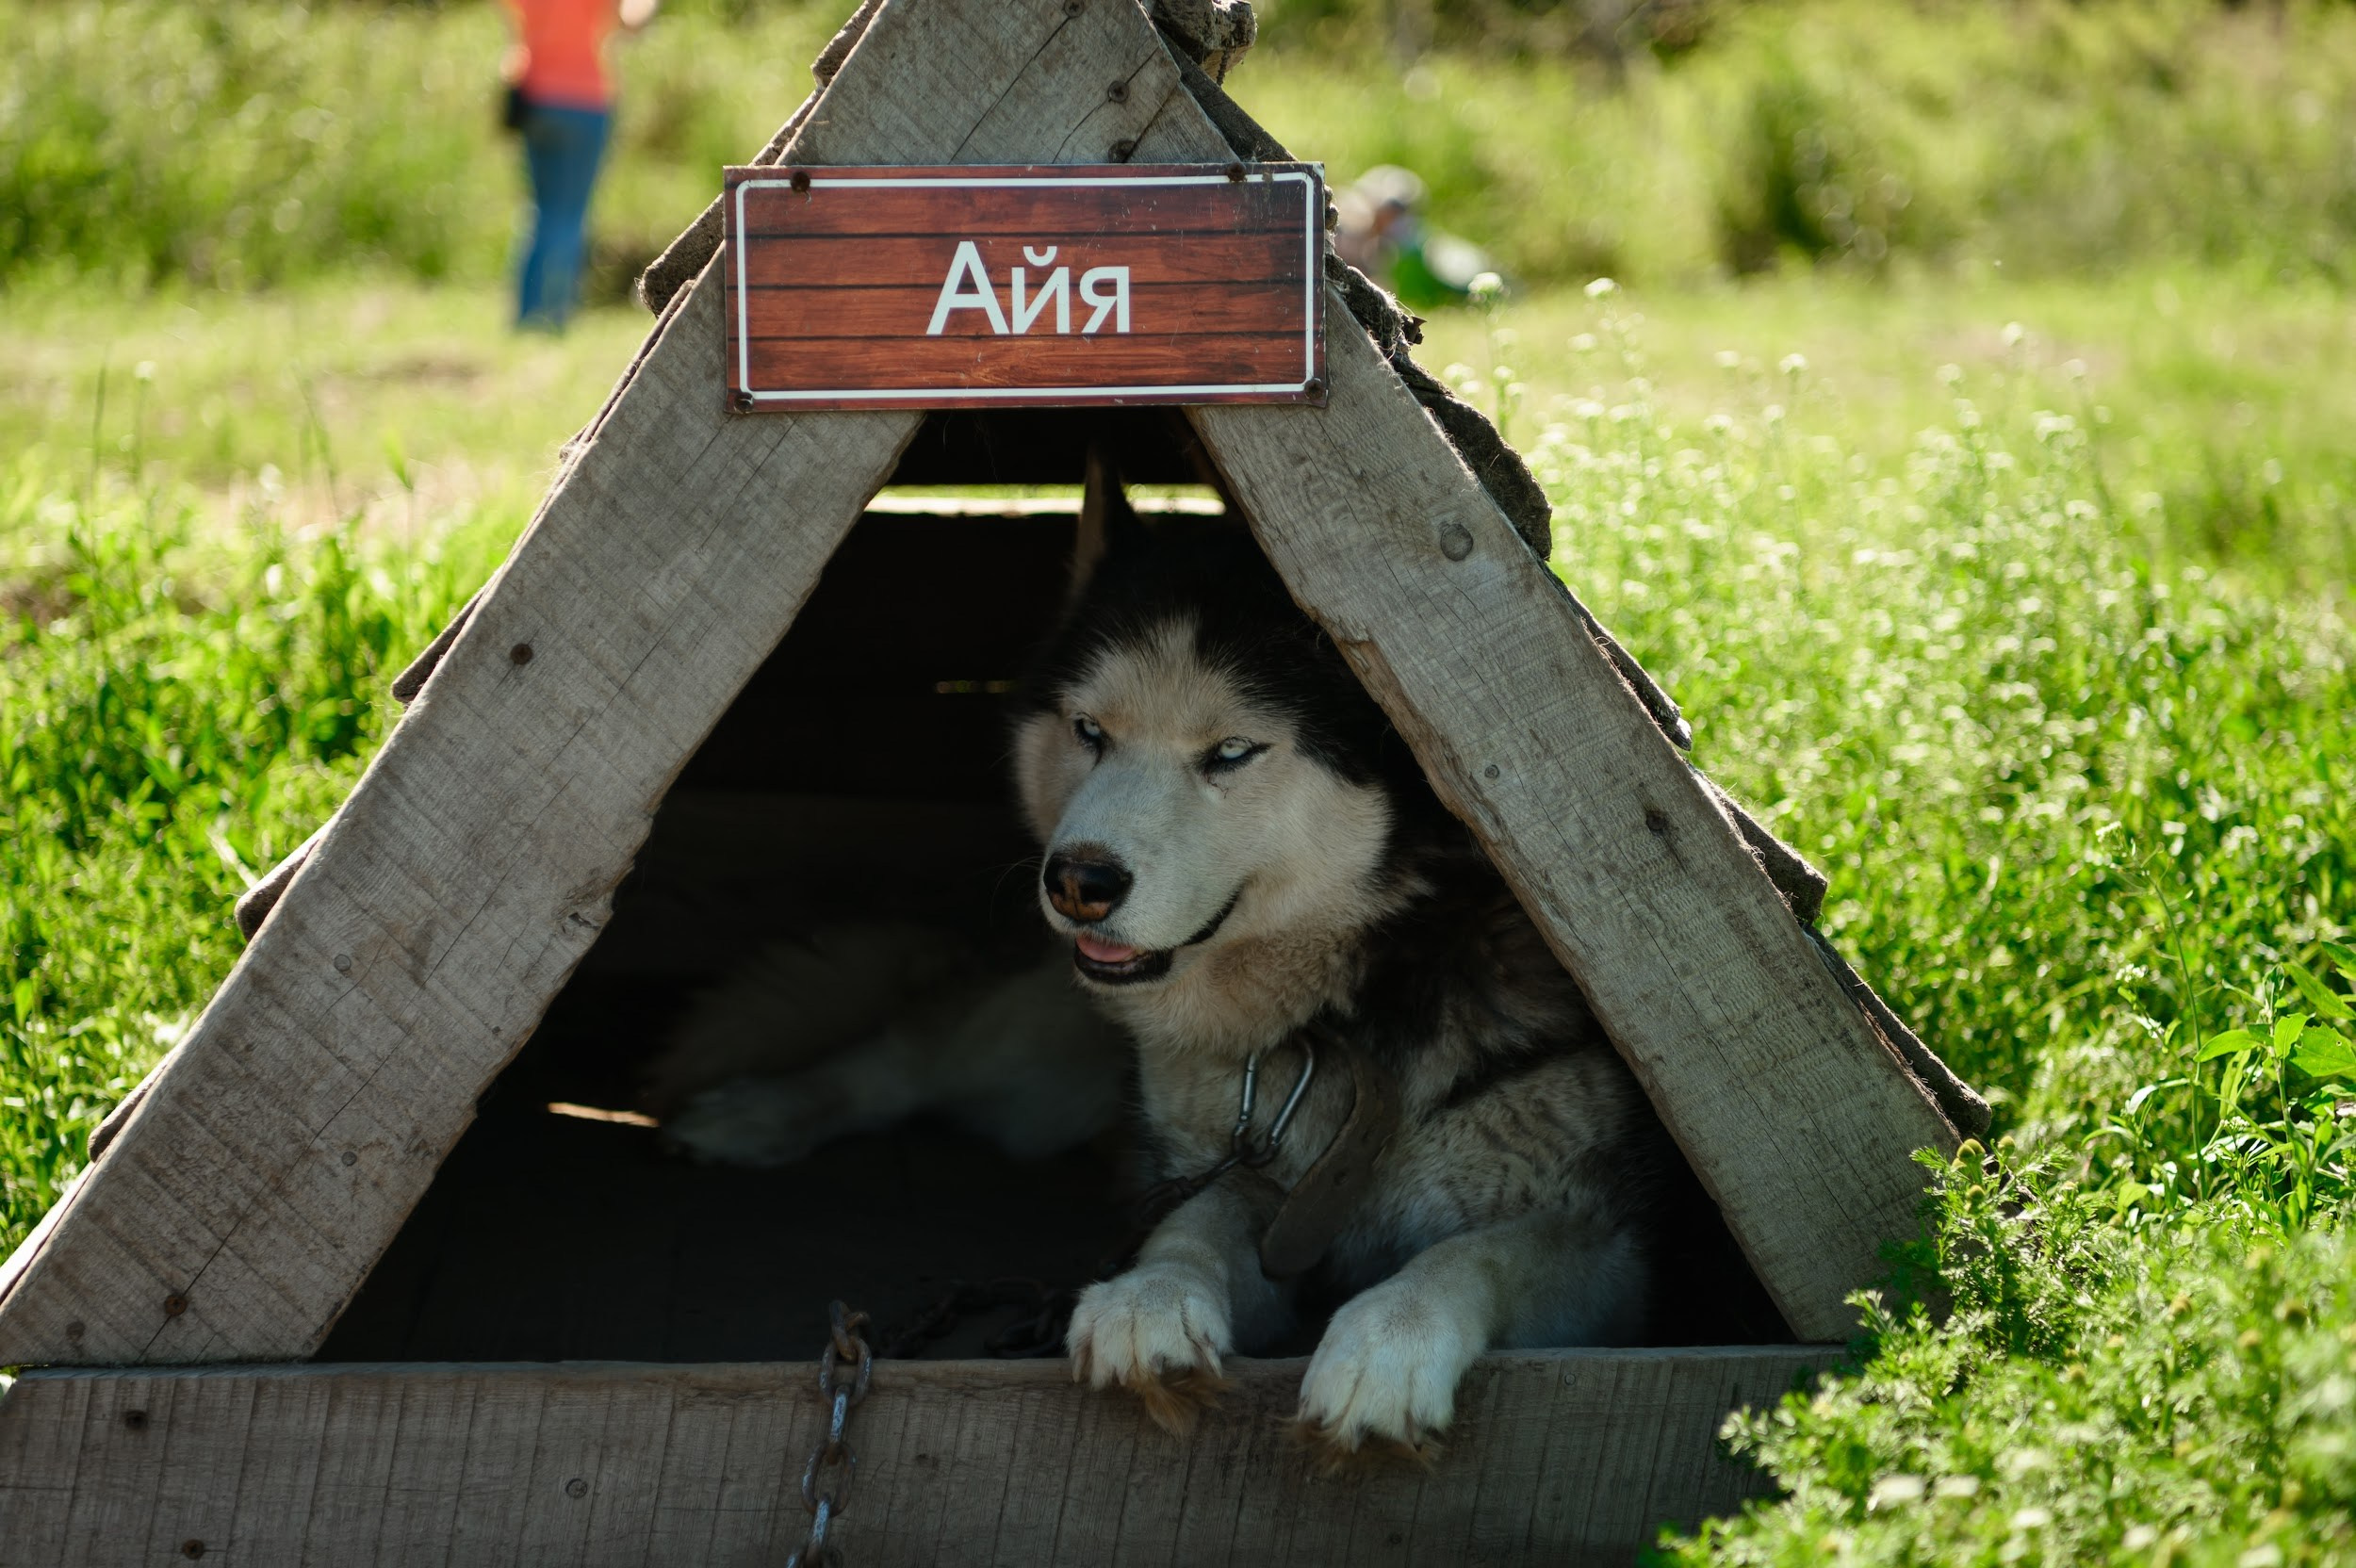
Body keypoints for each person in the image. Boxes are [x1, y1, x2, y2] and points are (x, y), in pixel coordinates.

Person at [500, 0, 658, 331]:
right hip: (585, 101)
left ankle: (525, 316)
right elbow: (627, 24)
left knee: (541, 209)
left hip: (534, 97)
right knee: (571, 214)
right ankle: (556, 317)